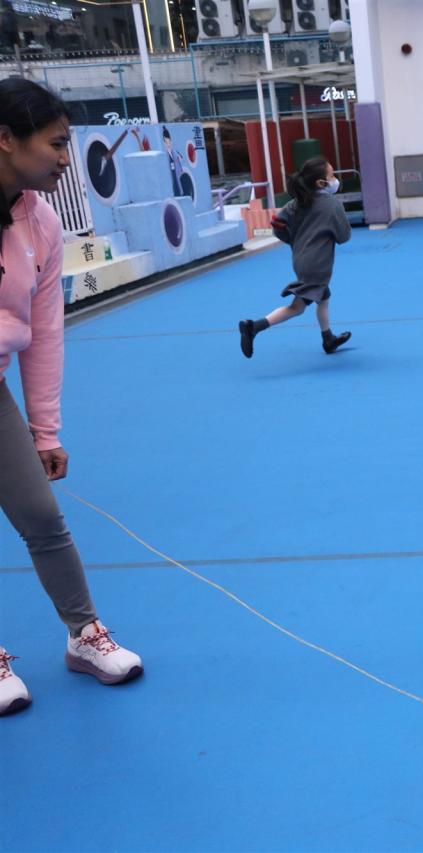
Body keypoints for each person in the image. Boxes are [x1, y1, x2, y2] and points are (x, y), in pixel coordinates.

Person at [0, 79, 143, 716]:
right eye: (56, 144)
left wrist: (45, 430)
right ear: (6, 139)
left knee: (41, 514)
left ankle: (83, 635)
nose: (66, 158)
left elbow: (44, 332)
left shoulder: (41, 221)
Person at [239, 157, 353, 358]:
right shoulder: (332, 204)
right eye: (332, 175)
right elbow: (344, 236)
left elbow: (277, 225)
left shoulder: (296, 203)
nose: (335, 179)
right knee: (297, 308)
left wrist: (295, 241)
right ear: (321, 183)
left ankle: (328, 338)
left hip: (301, 261)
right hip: (318, 265)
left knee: (324, 297)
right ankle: (254, 326)